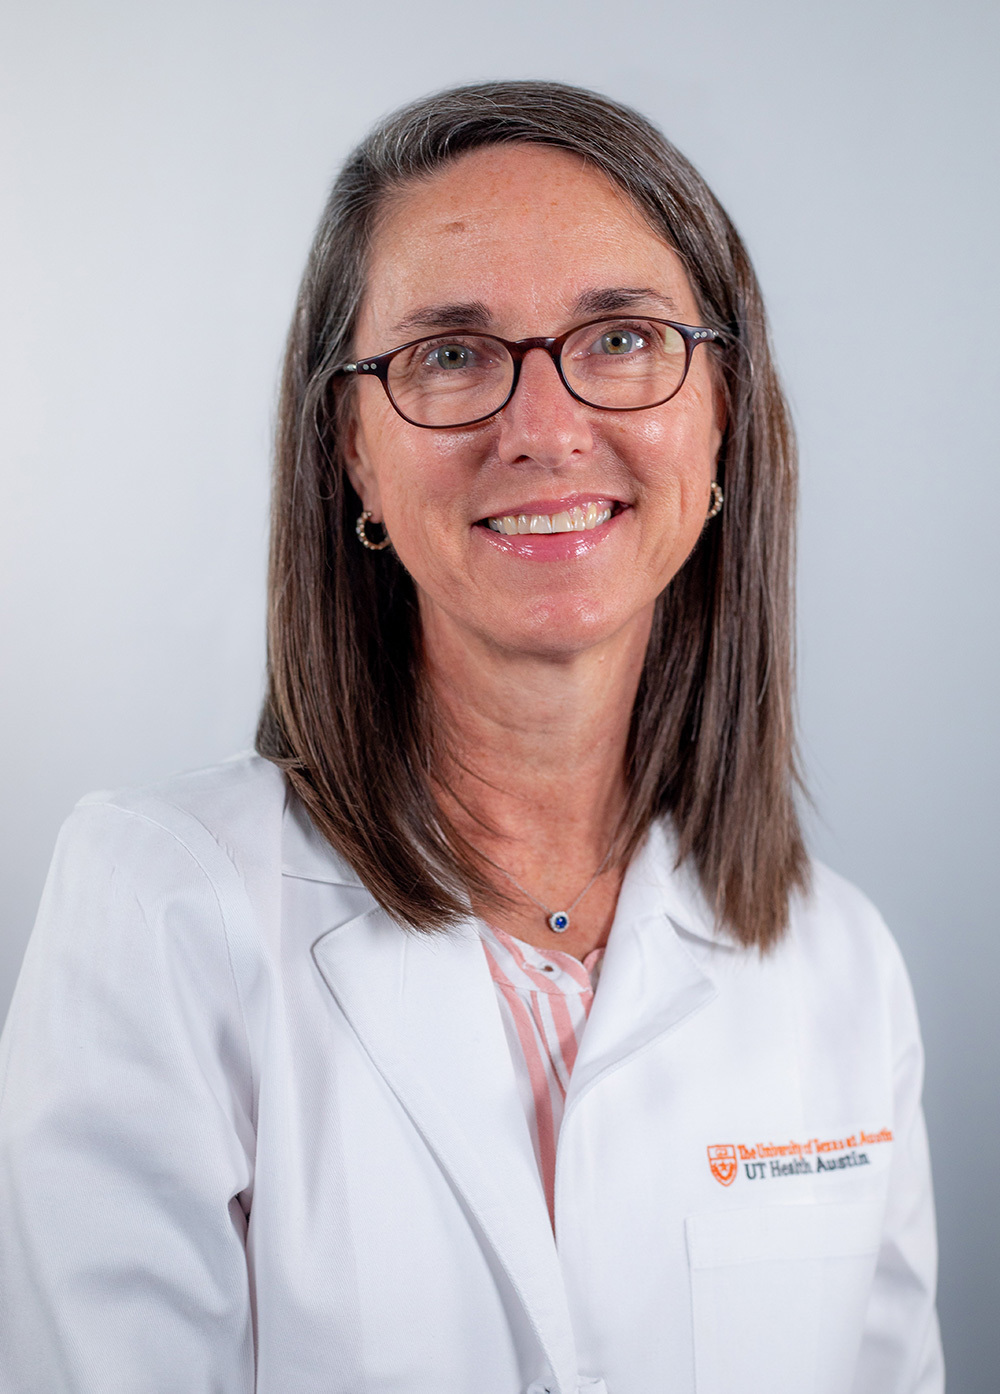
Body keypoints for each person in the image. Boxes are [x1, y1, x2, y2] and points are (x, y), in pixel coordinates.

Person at [0, 81, 942, 1393]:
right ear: (352, 452)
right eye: (451, 354)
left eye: (620, 337)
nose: (546, 429)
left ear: (720, 408)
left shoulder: (840, 965)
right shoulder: (164, 915)